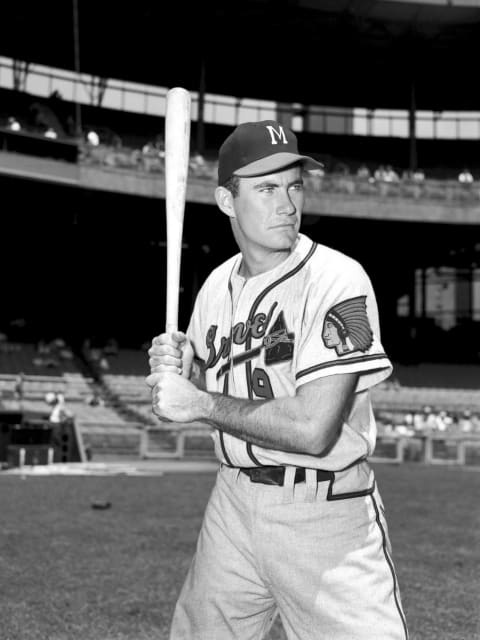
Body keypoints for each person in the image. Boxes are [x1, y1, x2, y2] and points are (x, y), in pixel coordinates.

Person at [146, 120, 408, 640]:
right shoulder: (215, 286)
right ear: (227, 200)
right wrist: (176, 367)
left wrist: (197, 402)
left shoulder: (337, 279)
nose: (287, 203)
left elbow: (314, 429)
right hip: (232, 505)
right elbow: (202, 379)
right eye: (266, 188)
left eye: (294, 185)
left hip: (324, 515)